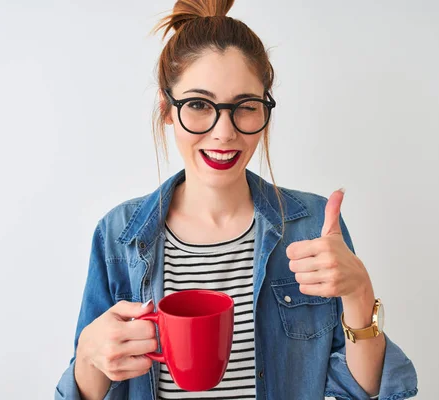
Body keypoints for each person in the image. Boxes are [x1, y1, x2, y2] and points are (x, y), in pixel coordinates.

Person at [55, 1, 418, 399]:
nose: (224, 132)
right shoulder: (117, 236)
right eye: (198, 105)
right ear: (166, 109)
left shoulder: (313, 227)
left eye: (245, 107)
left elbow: (364, 392)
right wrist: (89, 361)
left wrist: (359, 294)